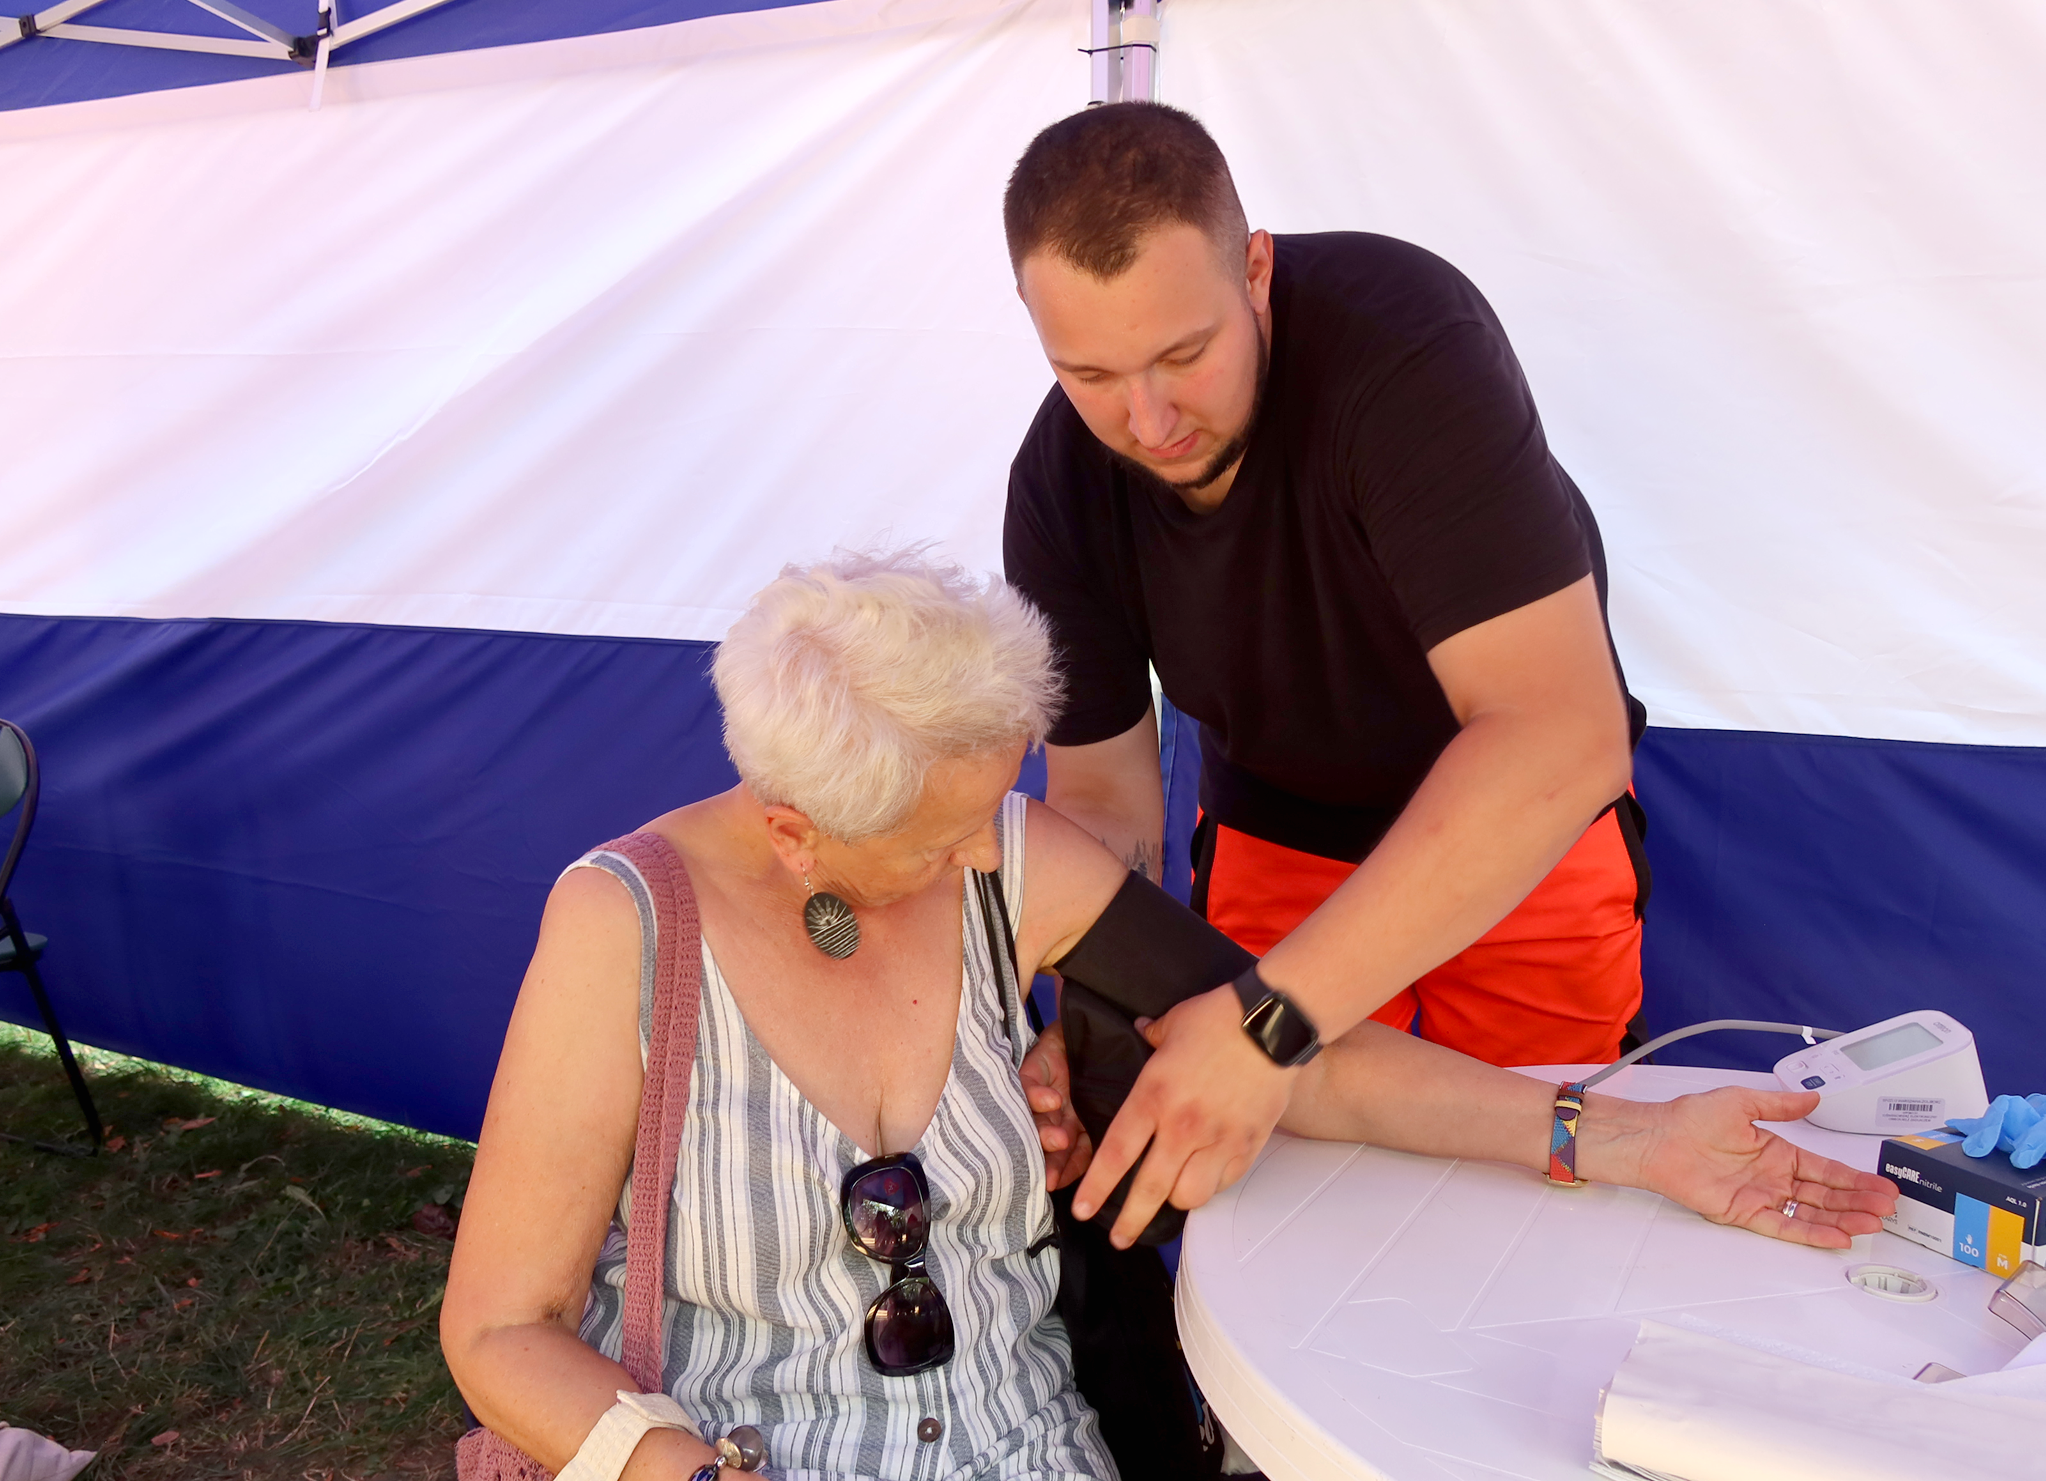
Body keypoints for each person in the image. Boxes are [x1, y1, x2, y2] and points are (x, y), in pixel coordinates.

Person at [440, 548, 1895, 1481]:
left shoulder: (1002, 857)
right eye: (942, 840)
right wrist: (678, 1472)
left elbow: (1286, 1055)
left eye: (995, 805)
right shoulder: (626, 927)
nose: (990, 851)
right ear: (792, 832)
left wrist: (1616, 1136)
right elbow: (501, 1326)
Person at [1001, 103, 1652, 1249]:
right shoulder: (1059, 482)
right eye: (1089, 372)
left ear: (1256, 270)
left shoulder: (1403, 347)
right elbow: (1102, 801)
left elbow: (1561, 734)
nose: (1147, 420)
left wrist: (1268, 1024)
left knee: (1543, 1202)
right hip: (1276, 838)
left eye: (1183, 355)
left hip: (1516, 828)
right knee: (1281, 1222)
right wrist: (1093, 1022)